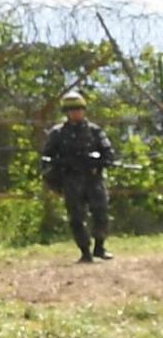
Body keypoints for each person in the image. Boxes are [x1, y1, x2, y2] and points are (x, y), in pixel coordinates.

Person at [40, 90, 116, 261]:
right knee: (76, 217)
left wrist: (98, 163)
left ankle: (99, 247)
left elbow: (109, 153)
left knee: (101, 212)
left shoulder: (95, 131)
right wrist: (55, 182)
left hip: (93, 178)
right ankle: (85, 252)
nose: (76, 113)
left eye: (79, 109)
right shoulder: (57, 133)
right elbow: (46, 160)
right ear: (66, 113)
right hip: (70, 179)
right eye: (72, 110)